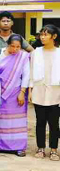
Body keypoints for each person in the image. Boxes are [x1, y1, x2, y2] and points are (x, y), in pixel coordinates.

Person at [0, 34, 29, 157]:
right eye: (12, 46)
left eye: (18, 47)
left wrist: (22, 92)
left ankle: (19, 147)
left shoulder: (23, 56)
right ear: (7, 44)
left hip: (16, 92)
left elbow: (26, 75)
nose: (15, 49)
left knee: (17, 121)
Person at [29, 25, 60, 160]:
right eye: (41, 35)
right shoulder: (36, 52)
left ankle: (54, 149)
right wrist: (30, 90)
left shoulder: (59, 53)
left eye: (46, 35)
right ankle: (40, 148)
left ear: (54, 37)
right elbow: (31, 73)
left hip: (56, 91)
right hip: (39, 90)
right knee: (40, 121)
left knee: (54, 123)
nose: (42, 37)